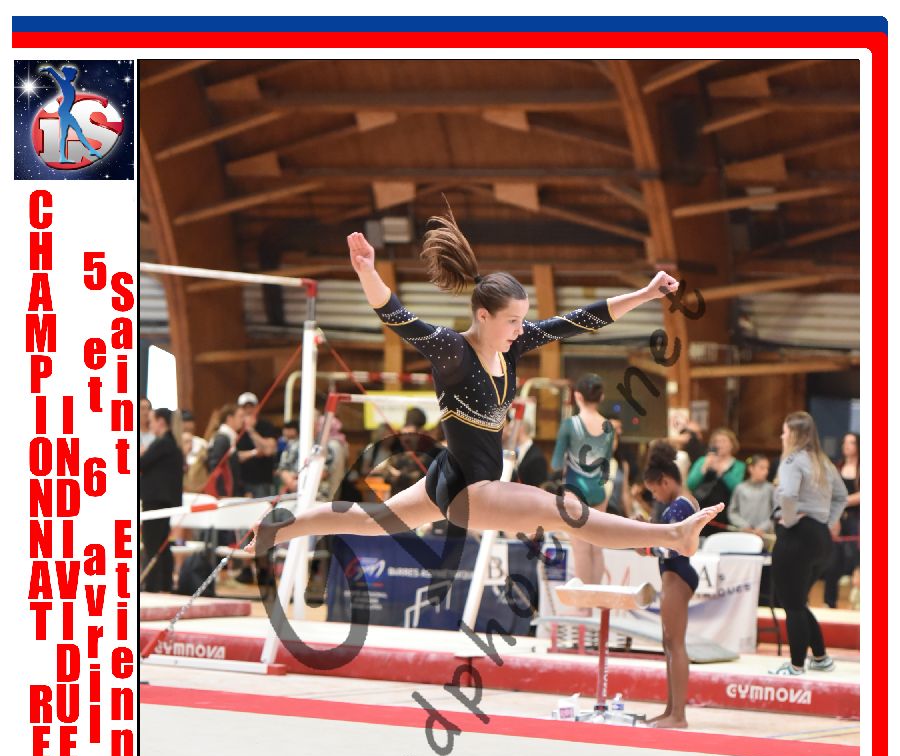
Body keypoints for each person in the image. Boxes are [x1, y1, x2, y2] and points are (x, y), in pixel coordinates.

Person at [248, 207, 723, 565]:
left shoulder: (511, 346)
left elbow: (578, 321)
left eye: (522, 319)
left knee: (370, 521)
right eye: (512, 320)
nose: (520, 328)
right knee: (561, 509)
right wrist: (368, 272)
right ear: (483, 315)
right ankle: (671, 536)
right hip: (469, 490)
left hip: (450, 477)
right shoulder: (453, 351)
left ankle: (276, 529)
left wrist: (645, 293)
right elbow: (399, 318)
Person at [769, 412, 848, 675]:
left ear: (793, 434)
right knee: (798, 602)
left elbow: (788, 494)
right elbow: (842, 496)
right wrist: (826, 522)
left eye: (784, 431)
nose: (782, 436)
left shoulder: (791, 460)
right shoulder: (824, 462)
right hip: (820, 538)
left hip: (797, 538)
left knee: (791, 604)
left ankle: (795, 665)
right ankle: (821, 658)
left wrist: (790, 521)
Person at [643, 441, 699, 729]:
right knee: (669, 643)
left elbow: (675, 548)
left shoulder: (679, 506)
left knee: (675, 644)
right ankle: (670, 710)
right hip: (675, 574)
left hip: (677, 574)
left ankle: (679, 715)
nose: (656, 497)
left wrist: (645, 546)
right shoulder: (682, 503)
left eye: (655, 491)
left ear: (665, 481)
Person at [551, 375, 615, 621]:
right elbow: (606, 461)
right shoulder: (608, 426)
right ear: (601, 397)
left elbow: (557, 462)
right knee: (596, 548)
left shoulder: (570, 425)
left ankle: (582, 607)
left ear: (577, 396)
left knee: (580, 549)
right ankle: (595, 604)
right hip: (599, 490)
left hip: (575, 489)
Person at [139, 408, 184, 592]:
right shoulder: (170, 443)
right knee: (162, 542)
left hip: (155, 500)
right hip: (163, 500)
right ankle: (164, 583)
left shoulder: (163, 443)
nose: (149, 425)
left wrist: (142, 453)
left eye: (151, 421)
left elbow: (142, 463)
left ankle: (152, 584)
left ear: (161, 422)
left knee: (152, 543)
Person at [822, 432, 861, 608]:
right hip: (837, 517)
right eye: (845, 442)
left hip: (858, 519)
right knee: (832, 560)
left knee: (857, 558)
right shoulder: (836, 467)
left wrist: (842, 501)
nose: (847, 445)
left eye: (851, 442)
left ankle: (858, 600)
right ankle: (829, 602)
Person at [687, 427, 746, 511]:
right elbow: (690, 484)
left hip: (726, 509)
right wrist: (704, 467)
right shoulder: (702, 460)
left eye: (723, 441)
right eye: (716, 442)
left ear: (732, 444)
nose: (719, 445)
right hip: (701, 508)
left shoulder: (739, 465)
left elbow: (736, 489)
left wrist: (722, 471)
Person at [235, 392, 280, 499]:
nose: (248, 410)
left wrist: (251, 430)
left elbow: (269, 450)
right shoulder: (236, 428)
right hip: (240, 483)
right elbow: (234, 456)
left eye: (251, 406)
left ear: (257, 407)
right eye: (244, 407)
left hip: (262, 482)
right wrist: (254, 453)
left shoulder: (266, 426)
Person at [727, 454, 776, 545]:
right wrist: (744, 525)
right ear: (751, 468)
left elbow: (776, 513)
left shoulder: (770, 489)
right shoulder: (740, 488)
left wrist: (763, 527)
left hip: (764, 536)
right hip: (743, 535)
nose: (766, 472)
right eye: (762, 468)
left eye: (767, 468)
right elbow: (732, 512)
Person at [509, 419, 549, 488]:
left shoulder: (537, 458)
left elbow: (539, 488)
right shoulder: (513, 451)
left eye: (510, 430)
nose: (507, 434)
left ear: (520, 430)